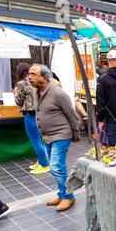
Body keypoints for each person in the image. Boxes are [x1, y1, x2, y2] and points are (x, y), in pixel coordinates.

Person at [28, 64, 80, 212]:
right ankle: (62, 193)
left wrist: (75, 134)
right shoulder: (36, 92)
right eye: (29, 74)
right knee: (54, 168)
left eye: (33, 74)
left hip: (61, 134)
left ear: (44, 78)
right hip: (47, 136)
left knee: (57, 167)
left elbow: (71, 114)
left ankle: (68, 196)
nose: (29, 77)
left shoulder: (58, 93)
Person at [13, 63, 50, 175]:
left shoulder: (21, 84)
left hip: (29, 114)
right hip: (40, 112)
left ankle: (44, 164)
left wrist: (15, 94)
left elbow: (19, 102)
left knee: (35, 140)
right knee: (40, 139)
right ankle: (41, 161)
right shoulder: (37, 82)